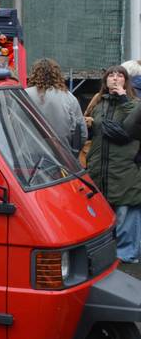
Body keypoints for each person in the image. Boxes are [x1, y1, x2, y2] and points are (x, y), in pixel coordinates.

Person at [84, 65, 141, 263]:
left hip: (125, 169)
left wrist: (124, 98)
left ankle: (126, 257)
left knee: (126, 213)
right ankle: (105, 255)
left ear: (126, 81)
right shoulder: (98, 104)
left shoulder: (134, 103)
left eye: (119, 75)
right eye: (111, 75)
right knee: (101, 213)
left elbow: (134, 122)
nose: (115, 78)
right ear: (105, 80)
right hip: (100, 167)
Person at [25, 59, 86, 154]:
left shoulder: (24, 95)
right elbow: (81, 133)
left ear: (34, 74)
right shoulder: (69, 98)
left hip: (28, 157)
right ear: (57, 75)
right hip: (61, 158)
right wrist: (73, 154)